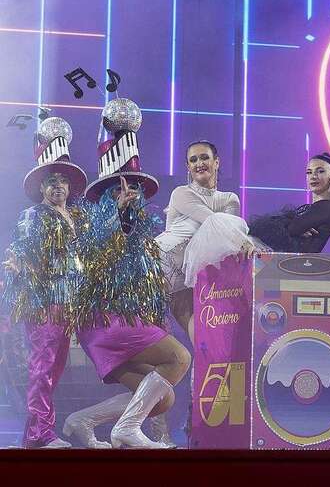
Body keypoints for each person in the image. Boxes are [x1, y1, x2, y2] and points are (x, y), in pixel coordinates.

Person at [61, 99, 191, 449]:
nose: (127, 193)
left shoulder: (140, 230)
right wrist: (116, 218)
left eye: (132, 187)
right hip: (105, 319)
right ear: (107, 193)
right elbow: (93, 260)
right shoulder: (95, 221)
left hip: (127, 320)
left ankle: (83, 420)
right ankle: (126, 430)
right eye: (119, 187)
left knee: (162, 399)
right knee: (179, 358)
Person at [2, 116, 88, 448]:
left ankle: (33, 436)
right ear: (41, 187)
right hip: (44, 301)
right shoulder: (32, 215)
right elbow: (21, 249)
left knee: (53, 370)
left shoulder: (76, 218)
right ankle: (41, 433)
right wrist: (18, 263)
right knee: (42, 366)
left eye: (63, 181)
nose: (58, 187)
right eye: (51, 181)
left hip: (70, 301)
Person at [156, 140, 257, 345]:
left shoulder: (230, 199)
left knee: (210, 333)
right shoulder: (181, 193)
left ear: (216, 162)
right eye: (193, 160)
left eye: (204, 158)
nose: (199, 163)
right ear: (188, 167)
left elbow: (228, 235)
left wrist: (241, 243)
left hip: (202, 274)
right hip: (165, 267)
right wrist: (243, 241)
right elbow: (212, 221)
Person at [248, 153, 330, 253]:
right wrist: (289, 224)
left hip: (298, 261)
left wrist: (287, 224)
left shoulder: (328, 207)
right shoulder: (308, 208)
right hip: (284, 258)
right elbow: (283, 230)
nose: (313, 176)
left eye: (320, 171)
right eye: (309, 172)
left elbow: (291, 229)